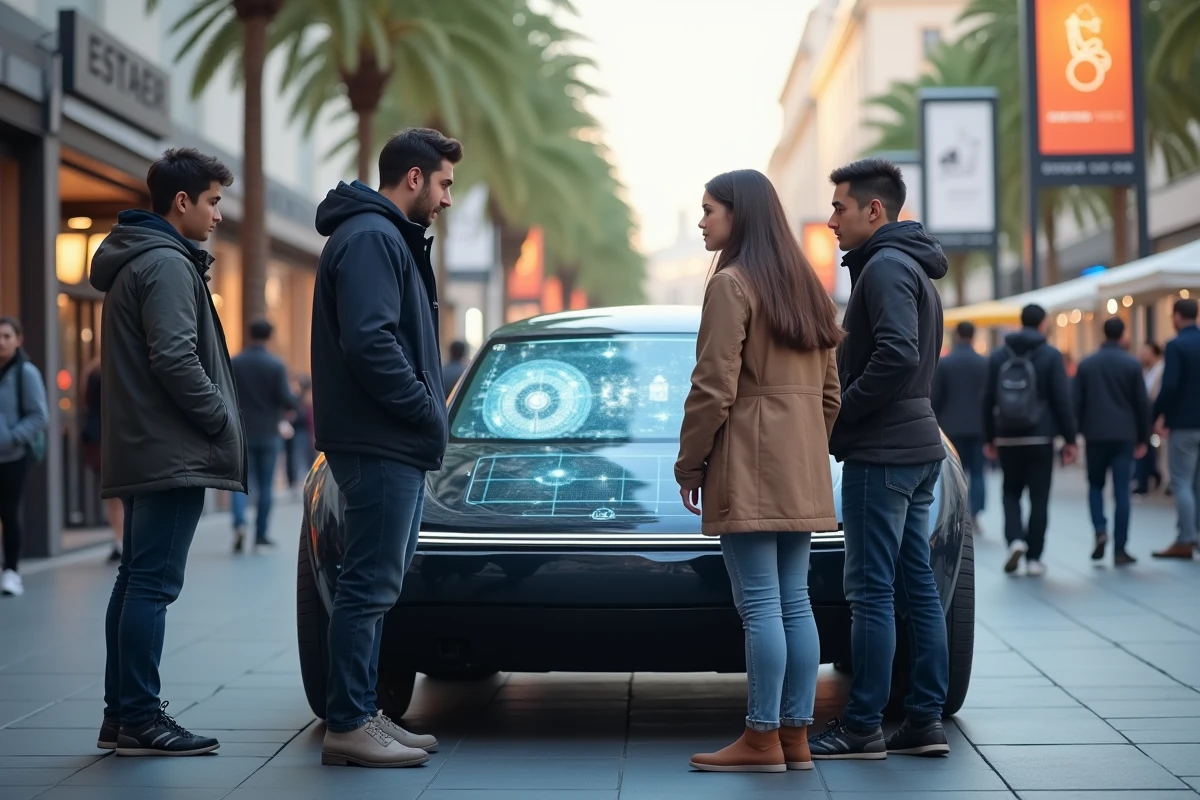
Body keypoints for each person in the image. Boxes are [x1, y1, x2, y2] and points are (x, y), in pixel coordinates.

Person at [675, 169, 842, 773]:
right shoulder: (808, 287)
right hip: (801, 464)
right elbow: (830, 395)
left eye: (709, 209)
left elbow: (712, 386)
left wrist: (689, 461)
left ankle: (761, 736)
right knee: (795, 602)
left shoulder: (732, 285)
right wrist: (802, 444)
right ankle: (795, 738)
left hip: (747, 460)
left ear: (738, 215)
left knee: (763, 607)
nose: (702, 221)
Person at [311, 128, 459, 767]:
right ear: (416, 178)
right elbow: (371, 343)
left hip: (386, 438)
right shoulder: (372, 237)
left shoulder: (380, 235)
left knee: (376, 584)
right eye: (446, 183)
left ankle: (362, 712)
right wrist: (427, 409)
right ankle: (347, 722)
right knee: (368, 584)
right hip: (379, 440)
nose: (449, 199)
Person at [89, 148, 245, 756]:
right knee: (151, 584)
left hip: (146, 446)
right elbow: (175, 357)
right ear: (181, 202)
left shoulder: (139, 260)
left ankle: (121, 715)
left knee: (134, 580)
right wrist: (220, 418)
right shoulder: (168, 263)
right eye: (212, 201)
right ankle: (140, 717)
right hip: (170, 450)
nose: (218, 215)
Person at [809, 158, 951, 760]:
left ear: (875, 209)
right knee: (915, 585)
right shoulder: (909, 265)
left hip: (885, 452)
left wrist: (844, 413)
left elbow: (896, 354)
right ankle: (923, 720)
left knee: (870, 591)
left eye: (840, 207)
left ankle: (863, 723)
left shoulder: (886, 268)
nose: (831, 219)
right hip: (917, 445)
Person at [983, 304, 1078, 577]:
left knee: (1010, 492)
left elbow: (987, 398)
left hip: (1007, 436)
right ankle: (1034, 558)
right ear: (1043, 324)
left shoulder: (999, 355)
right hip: (1040, 436)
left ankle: (1015, 540)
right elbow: (1062, 399)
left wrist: (990, 436)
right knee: (1039, 497)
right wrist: (1069, 439)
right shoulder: (1050, 355)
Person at [1074, 317, 1148, 566]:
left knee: (1095, 485)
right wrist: (1143, 437)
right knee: (1122, 492)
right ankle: (1120, 548)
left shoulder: (1087, 364)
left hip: (1095, 435)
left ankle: (1100, 528)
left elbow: (1077, 402)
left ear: (1103, 334)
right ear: (1123, 335)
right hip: (1124, 435)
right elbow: (1141, 404)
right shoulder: (1132, 364)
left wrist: (1076, 433)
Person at [230, 318, 296, 552]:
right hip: (269, 432)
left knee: (240, 483)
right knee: (266, 485)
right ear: (269, 336)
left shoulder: (235, 362)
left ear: (248, 334)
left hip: (241, 431)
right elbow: (287, 399)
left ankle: (239, 523)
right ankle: (260, 534)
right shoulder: (276, 365)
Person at [0, 317, 49, 597]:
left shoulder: (25, 373)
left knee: (8, 512)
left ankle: (11, 572)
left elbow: (40, 415)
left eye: (7, 336)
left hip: (12, 457)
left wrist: (12, 438)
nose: (2, 341)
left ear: (18, 340)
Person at [1152, 298, 1200, 559]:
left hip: (1184, 423)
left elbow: (1169, 386)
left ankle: (1185, 538)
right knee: (1197, 484)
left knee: (1181, 481)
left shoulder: (1176, 345)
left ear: (1177, 316)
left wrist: (1157, 414)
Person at [932, 321, 989, 530]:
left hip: (951, 427)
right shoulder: (983, 363)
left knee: (956, 474)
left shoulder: (945, 364)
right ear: (973, 336)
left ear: (956, 336)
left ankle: (959, 512)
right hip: (978, 426)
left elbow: (935, 398)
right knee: (978, 472)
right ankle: (976, 513)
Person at [81, 360, 125, 563]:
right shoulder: (120, 368)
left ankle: (118, 540)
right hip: (119, 437)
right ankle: (123, 540)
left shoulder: (91, 372)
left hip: (100, 438)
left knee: (112, 495)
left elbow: (86, 403)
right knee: (126, 494)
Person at [1135, 341, 1165, 495]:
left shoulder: (1161, 370)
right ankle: (1148, 477)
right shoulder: (1148, 371)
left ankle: (1151, 476)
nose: (1142, 355)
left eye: (1145, 352)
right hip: (1148, 415)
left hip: (1156, 416)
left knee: (1151, 449)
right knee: (1148, 449)